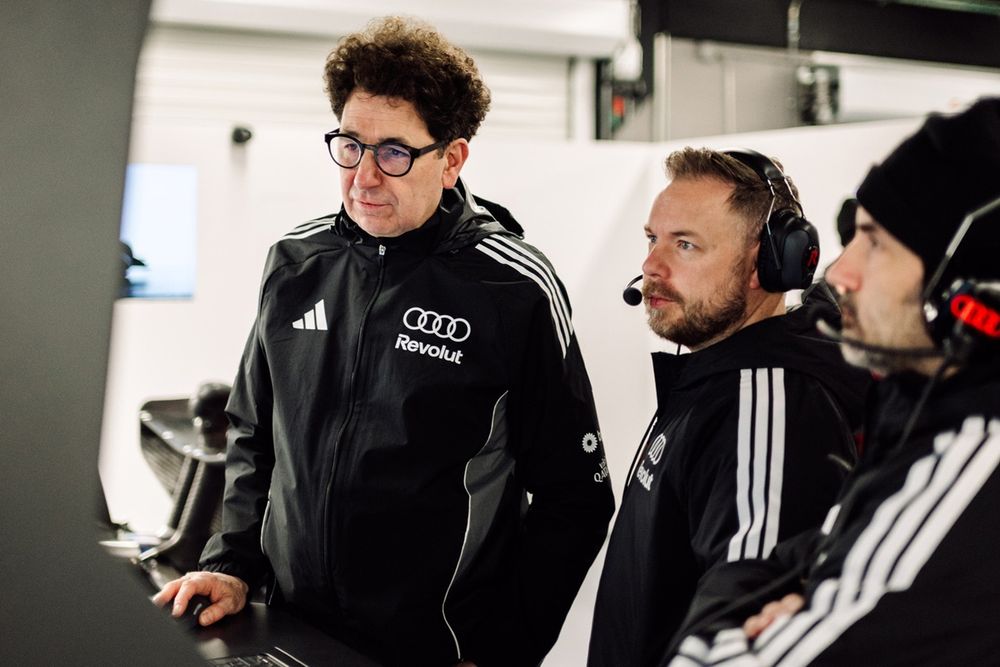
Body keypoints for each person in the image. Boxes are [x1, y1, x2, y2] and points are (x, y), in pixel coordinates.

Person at [153, 16, 614, 667]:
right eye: (349, 145)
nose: (364, 177)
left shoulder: (514, 289)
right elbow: (254, 435)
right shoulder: (296, 263)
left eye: (393, 153)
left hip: (432, 650)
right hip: (292, 631)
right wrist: (230, 562)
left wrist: (501, 649)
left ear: (451, 159)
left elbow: (576, 499)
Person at [664, 97, 1000, 666]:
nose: (839, 273)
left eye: (876, 242)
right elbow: (824, 545)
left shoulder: (976, 453)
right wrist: (807, 585)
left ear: (958, 291)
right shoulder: (919, 411)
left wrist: (740, 605)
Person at [587, 148, 870, 666]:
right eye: (653, 239)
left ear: (767, 263)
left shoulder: (767, 407)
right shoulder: (712, 380)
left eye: (685, 245)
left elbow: (749, 633)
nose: (651, 266)